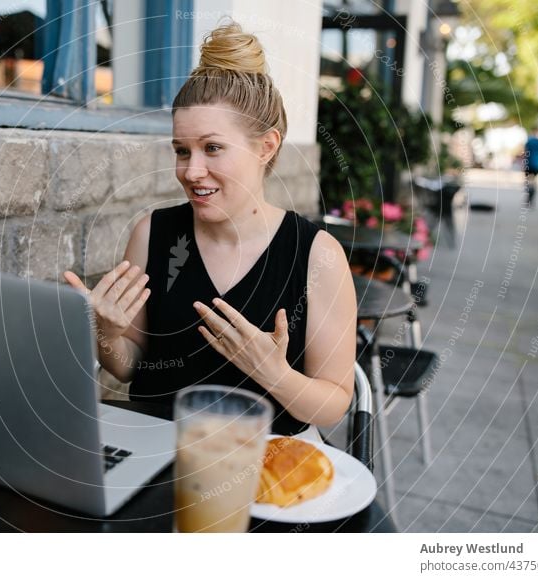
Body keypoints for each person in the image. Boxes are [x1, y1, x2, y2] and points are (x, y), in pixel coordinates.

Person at [64, 22, 356, 436]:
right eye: (182, 151)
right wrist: (104, 331)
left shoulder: (317, 255)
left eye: (212, 148)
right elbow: (128, 366)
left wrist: (272, 373)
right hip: (154, 449)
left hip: (264, 465)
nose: (191, 171)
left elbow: (333, 403)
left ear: (266, 146)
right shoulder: (153, 234)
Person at [523, 128, 538, 208]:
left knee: (528, 181)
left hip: (529, 164)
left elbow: (525, 152)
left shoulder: (529, 141)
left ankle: (528, 198)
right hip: (537, 164)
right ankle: (532, 200)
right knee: (534, 182)